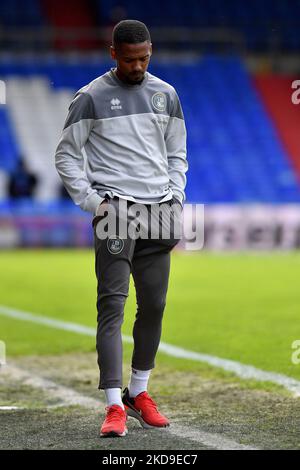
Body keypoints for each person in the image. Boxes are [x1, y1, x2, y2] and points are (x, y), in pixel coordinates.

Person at [55, 19, 188, 438]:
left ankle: (139, 392)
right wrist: (95, 204)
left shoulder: (166, 94)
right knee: (111, 307)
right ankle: (113, 405)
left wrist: (177, 195)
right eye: (130, 60)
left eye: (145, 58)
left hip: (160, 211)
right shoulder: (90, 97)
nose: (138, 66)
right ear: (113, 54)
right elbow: (66, 156)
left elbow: (177, 153)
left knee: (155, 306)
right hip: (116, 212)